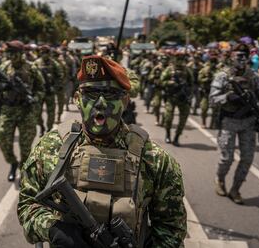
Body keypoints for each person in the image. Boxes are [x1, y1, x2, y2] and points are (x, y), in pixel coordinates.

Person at [18, 55, 186, 247]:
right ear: (77, 99)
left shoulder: (154, 160)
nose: (100, 103)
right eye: (91, 93)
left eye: (110, 94)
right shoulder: (51, 147)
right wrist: (52, 229)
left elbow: (172, 228)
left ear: (125, 100)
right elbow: (27, 205)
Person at [210, 46, 259, 204]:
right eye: (238, 56)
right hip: (228, 121)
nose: (242, 59)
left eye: (244, 56)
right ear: (231, 58)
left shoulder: (253, 77)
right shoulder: (222, 76)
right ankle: (220, 179)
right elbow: (212, 99)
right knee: (227, 158)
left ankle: (235, 189)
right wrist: (227, 97)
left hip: (249, 122)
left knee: (247, 158)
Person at [0, 41, 45, 182]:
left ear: (21, 54)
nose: (11, 56)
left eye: (14, 53)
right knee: (3, 139)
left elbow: (41, 88)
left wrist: (34, 98)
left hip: (26, 111)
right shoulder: (4, 67)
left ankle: (23, 170)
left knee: (26, 146)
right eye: (9, 53)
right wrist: (2, 86)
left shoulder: (31, 68)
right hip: (8, 110)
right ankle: (13, 163)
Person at [161, 53, 193, 146]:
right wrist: (170, 83)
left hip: (183, 98)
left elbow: (192, 84)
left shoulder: (187, 70)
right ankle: (168, 134)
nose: (179, 61)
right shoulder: (169, 70)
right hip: (171, 97)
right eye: (178, 58)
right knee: (168, 117)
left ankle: (177, 137)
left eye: (181, 59)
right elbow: (161, 81)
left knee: (183, 119)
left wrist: (189, 95)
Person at [34, 45, 64, 134]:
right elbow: (32, 77)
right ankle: (41, 126)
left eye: (46, 53)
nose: (44, 55)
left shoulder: (54, 63)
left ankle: (49, 129)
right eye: (42, 53)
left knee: (51, 112)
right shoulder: (36, 63)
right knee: (37, 112)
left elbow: (60, 75)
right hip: (39, 92)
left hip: (50, 92)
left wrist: (55, 87)